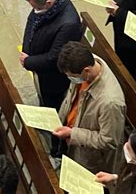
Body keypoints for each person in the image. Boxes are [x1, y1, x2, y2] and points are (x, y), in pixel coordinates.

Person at [54, 41, 126, 175]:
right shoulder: (88, 61)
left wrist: (72, 133)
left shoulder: (110, 102)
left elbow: (108, 140)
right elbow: (72, 97)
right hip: (72, 138)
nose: (71, 79)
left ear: (86, 71)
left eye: (72, 76)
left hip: (88, 157)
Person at [21, 0, 81, 111]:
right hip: (39, 65)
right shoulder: (43, 6)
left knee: (51, 104)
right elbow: (31, 23)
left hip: (53, 77)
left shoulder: (69, 23)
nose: (34, 10)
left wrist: (28, 61)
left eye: (36, 7)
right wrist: (26, 50)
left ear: (48, 3)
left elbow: (55, 57)